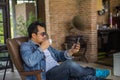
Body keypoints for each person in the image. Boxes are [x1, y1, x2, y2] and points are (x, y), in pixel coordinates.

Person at [20, 21, 110, 80]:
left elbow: (58, 55)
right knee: (69, 64)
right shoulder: (26, 46)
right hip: (46, 75)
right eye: (42, 34)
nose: (45, 36)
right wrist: (42, 48)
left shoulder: (45, 45)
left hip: (58, 71)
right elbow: (30, 61)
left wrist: (71, 51)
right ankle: (95, 72)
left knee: (81, 77)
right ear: (33, 35)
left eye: (45, 33)